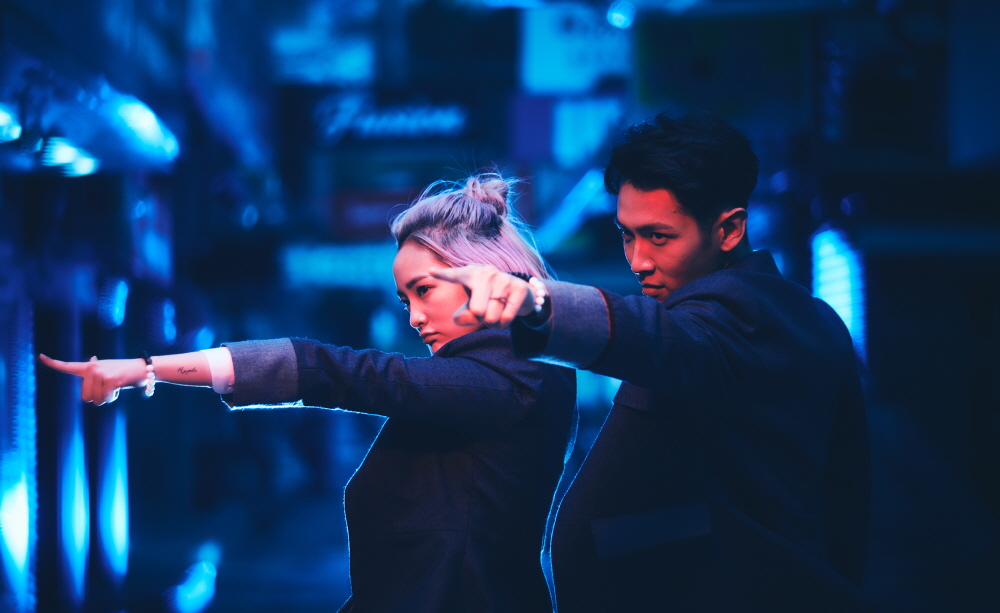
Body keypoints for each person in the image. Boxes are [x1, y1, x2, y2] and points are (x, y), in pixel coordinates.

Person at [41, 173, 577, 613]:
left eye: (423, 290)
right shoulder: (492, 381)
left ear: (481, 276)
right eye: (404, 299)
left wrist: (148, 369)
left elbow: (337, 371)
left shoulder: (516, 381)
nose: (414, 317)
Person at [432, 113, 871, 611]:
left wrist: (538, 304)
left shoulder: (748, 314)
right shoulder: (799, 318)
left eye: (659, 237)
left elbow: (668, 340)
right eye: (627, 235)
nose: (638, 260)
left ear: (729, 230)